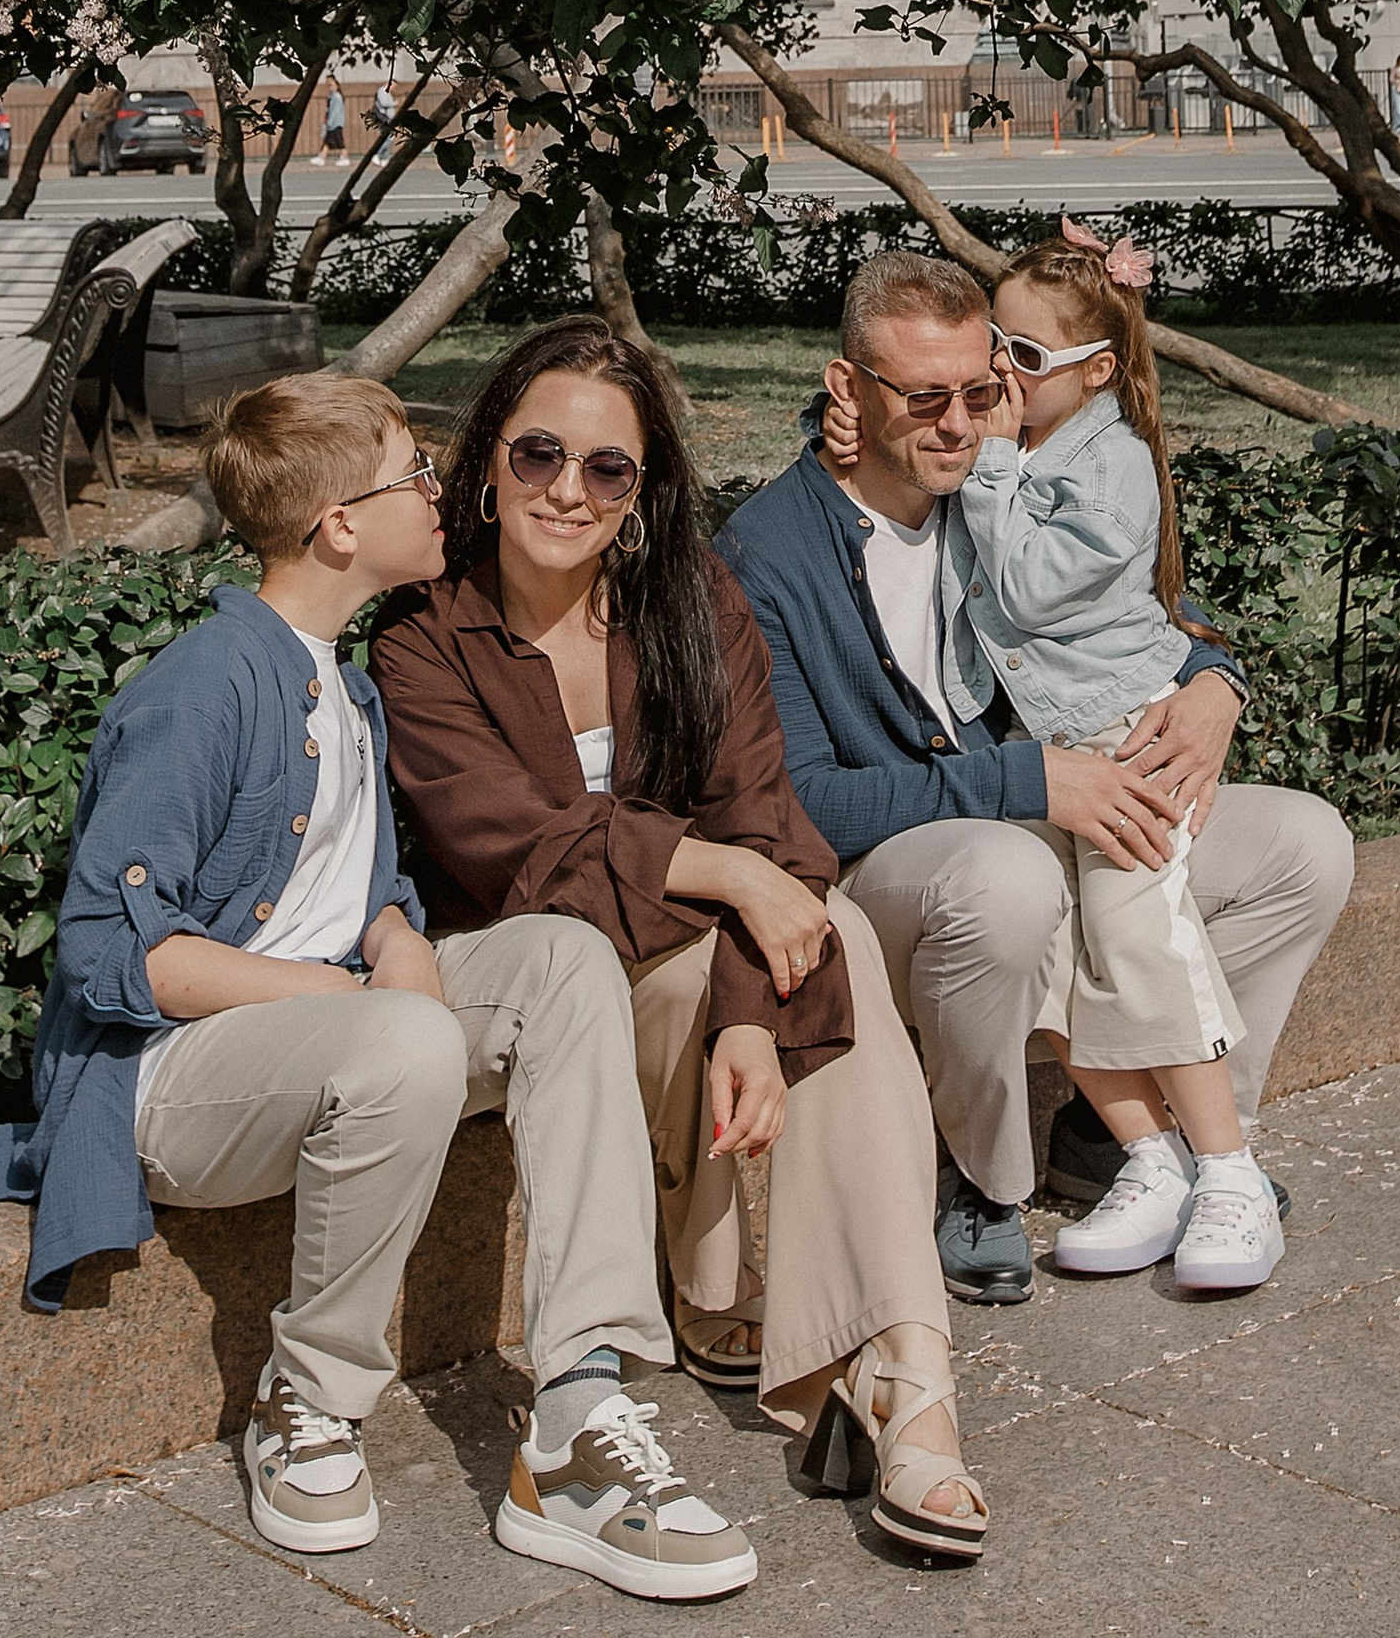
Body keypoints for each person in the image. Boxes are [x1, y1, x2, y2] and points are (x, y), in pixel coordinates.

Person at [0, 376, 750, 1595]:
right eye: (415, 473)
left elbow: (346, 882)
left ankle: (580, 1418)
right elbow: (117, 956)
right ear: (339, 526)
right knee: (403, 1049)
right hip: (173, 1084)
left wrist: (398, 948)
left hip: (338, 1040)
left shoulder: (346, 679)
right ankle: (305, 1400)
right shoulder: (204, 684)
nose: (441, 491)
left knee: (565, 957)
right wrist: (357, 1002)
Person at [374, 319, 988, 1564]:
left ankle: (909, 1378)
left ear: (644, 490)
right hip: (547, 992)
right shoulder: (421, 634)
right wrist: (712, 872)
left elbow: (769, 816)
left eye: (608, 469)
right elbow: (518, 851)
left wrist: (754, 1004)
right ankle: (742, 1312)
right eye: (539, 454)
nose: (568, 490)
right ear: (487, 459)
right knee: (754, 938)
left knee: (835, 941)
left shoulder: (691, 597)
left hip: (686, 970)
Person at [717, 246, 1352, 1312]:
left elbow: (1115, 627)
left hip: (1053, 808)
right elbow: (802, 802)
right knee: (1007, 877)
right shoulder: (768, 553)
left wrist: (1214, 682)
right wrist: (1027, 782)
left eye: (985, 390)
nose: (961, 422)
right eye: (925, 397)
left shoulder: (985, 487)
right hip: (905, 863)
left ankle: (1160, 1150)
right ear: (846, 391)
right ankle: (983, 1180)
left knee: (1304, 846)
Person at [944, 225, 1280, 1288]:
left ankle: (1230, 1171)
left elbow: (1034, 589)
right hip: (1040, 751)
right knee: (1051, 970)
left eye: (1027, 357)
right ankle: (1151, 1161)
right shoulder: (1019, 451)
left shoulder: (1113, 460)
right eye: (995, 343)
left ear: (1095, 369)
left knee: (1140, 939)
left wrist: (992, 462)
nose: (1002, 371)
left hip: (1120, 735)